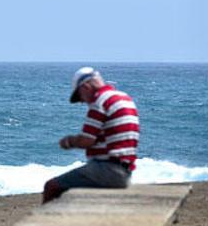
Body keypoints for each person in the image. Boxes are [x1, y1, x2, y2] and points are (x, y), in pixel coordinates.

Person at [42, 67, 140, 203]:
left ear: (86, 87)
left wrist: (69, 141)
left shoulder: (100, 102)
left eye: (80, 96)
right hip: (126, 170)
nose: (83, 101)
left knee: (51, 187)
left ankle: (48, 223)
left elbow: (87, 140)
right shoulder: (125, 98)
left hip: (108, 169)